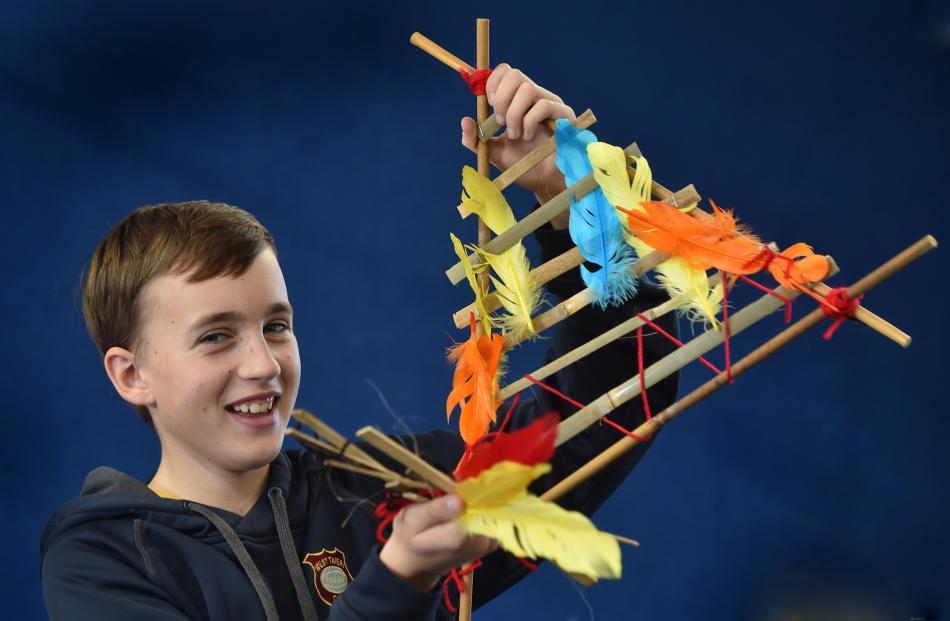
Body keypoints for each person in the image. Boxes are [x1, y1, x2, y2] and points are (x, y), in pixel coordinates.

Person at [40, 65, 680, 620]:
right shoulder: (102, 561)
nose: (263, 364)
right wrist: (400, 578)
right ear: (131, 376)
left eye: (277, 326)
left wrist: (571, 206)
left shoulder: (375, 492)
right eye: (214, 337)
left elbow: (602, 409)